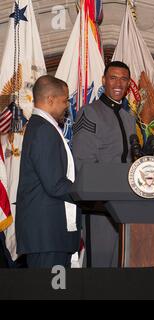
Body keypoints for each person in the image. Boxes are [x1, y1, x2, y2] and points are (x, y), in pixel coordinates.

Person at [72, 61, 136, 267]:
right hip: (99, 206)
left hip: (126, 204)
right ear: (103, 81)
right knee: (99, 267)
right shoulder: (89, 112)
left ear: (128, 84)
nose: (118, 83)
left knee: (121, 264)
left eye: (124, 79)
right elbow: (83, 161)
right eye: (113, 77)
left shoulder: (129, 119)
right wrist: (102, 196)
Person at [15, 75, 81, 268]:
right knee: (51, 293)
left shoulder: (42, 127)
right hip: (47, 234)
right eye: (64, 101)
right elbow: (55, 184)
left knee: (55, 292)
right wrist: (86, 192)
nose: (67, 106)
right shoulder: (44, 130)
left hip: (49, 235)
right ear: (50, 100)